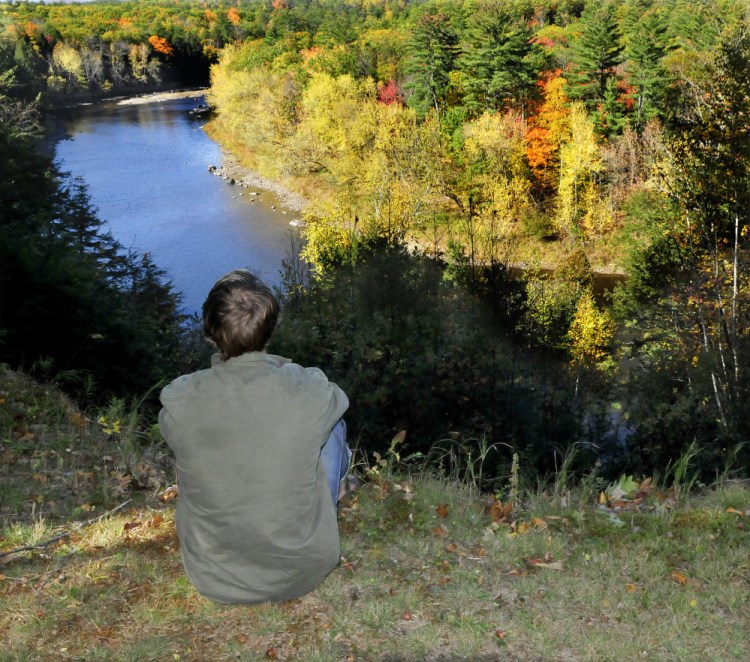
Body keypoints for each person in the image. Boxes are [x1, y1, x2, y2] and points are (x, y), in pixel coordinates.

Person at [159, 270, 350, 604]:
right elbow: (336, 398)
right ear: (269, 330)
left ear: (210, 332)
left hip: (214, 575)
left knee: (196, 440)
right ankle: (318, 514)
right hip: (303, 569)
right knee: (332, 426)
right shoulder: (305, 388)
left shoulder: (181, 398)